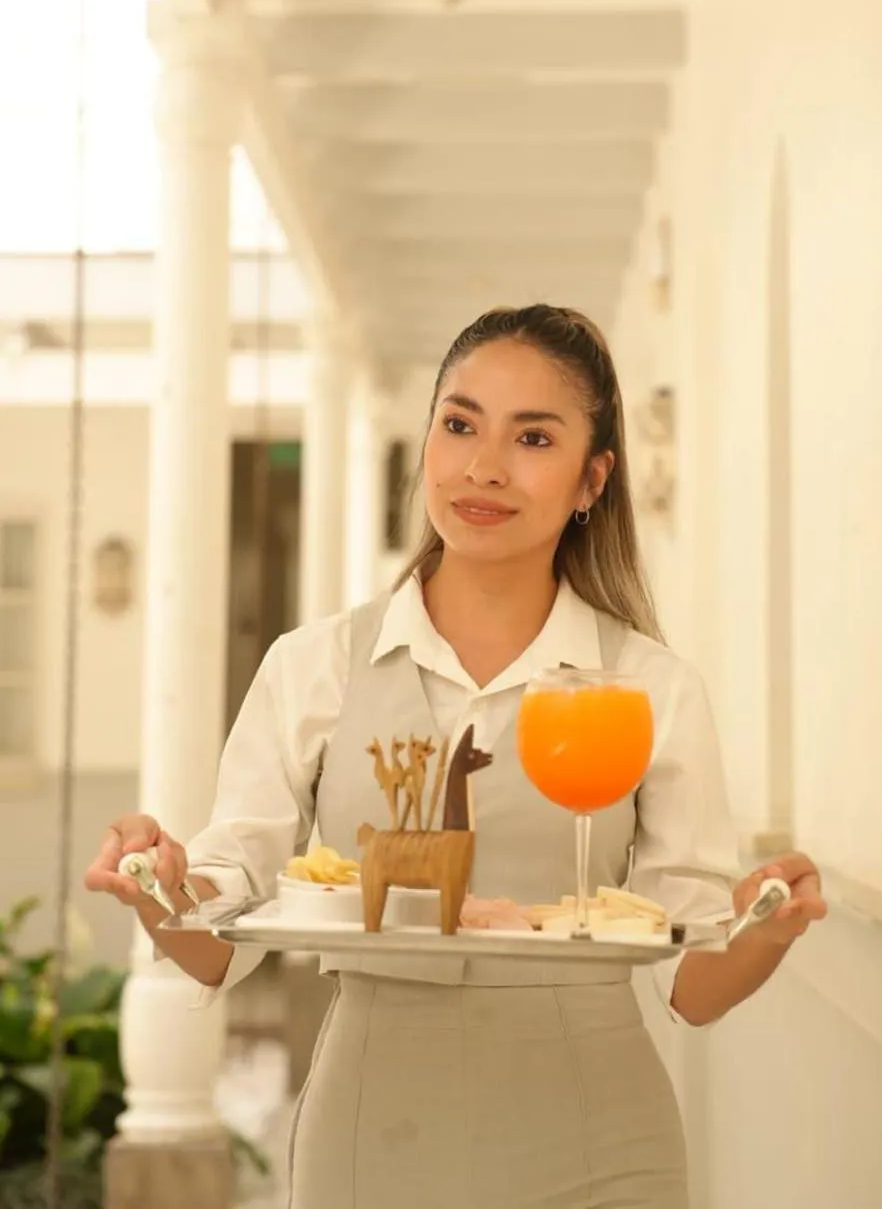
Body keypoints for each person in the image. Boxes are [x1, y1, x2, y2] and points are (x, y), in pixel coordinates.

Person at [86, 304, 826, 1209]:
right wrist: (159, 886)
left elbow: (694, 985)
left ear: (593, 478)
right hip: (372, 1123)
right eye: (460, 424)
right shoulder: (311, 667)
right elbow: (219, 942)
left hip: (597, 1132)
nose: (483, 466)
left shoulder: (649, 687)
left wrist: (764, 930)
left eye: (534, 438)